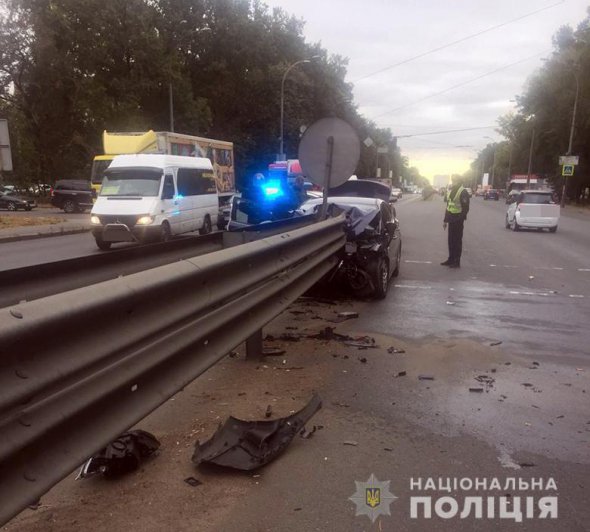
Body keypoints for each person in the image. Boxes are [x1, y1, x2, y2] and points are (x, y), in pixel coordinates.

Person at [441, 175, 470, 268]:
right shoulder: (451, 191)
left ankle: (457, 261)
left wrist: (459, 219)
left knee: (457, 241)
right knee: (451, 240)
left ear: (459, 181)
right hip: (451, 219)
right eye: (452, 180)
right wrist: (445, 220)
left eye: (455, 181)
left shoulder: (463, 192)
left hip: (458, 220)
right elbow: (448, 206)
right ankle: (450, 259)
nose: (453, 182)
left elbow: (465, 208)